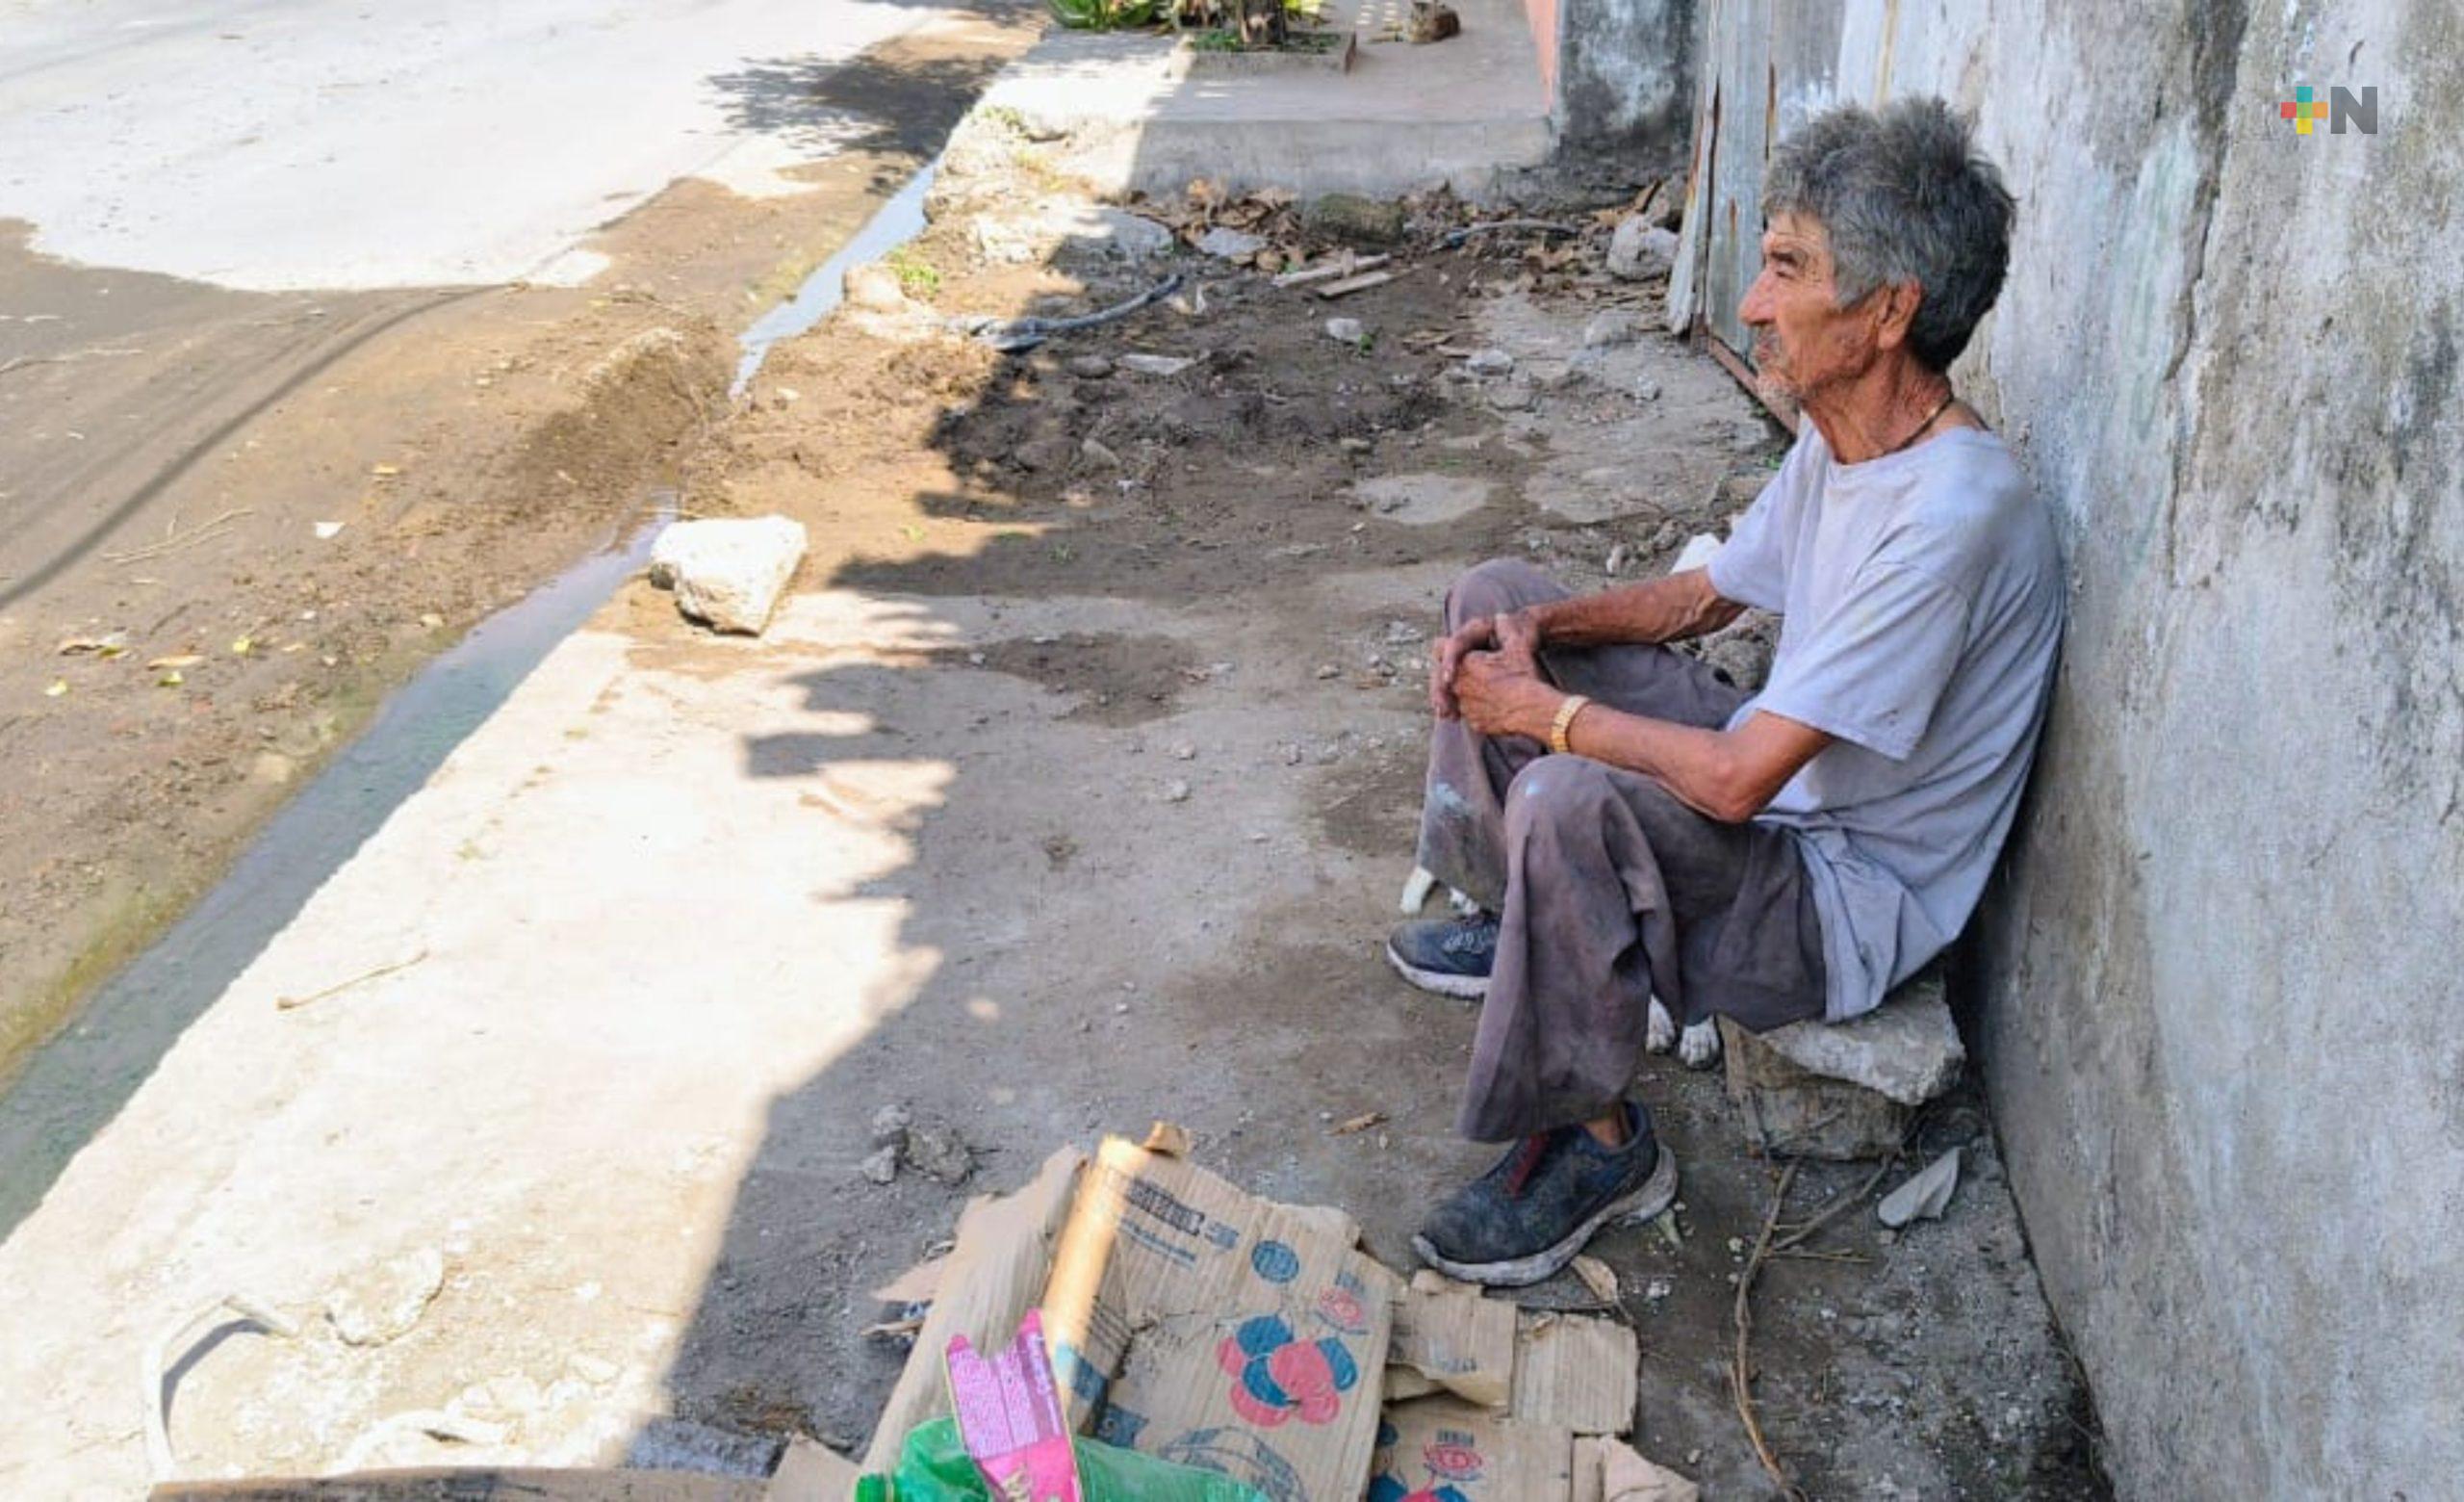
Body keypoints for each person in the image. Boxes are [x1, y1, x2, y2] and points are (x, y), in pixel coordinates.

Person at [1385, 97, 2063, 1287]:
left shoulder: (1953, 516)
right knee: (1488, 591)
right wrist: (1535, 627)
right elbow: (1708, 597)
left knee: (1561, 793)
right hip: (1776, 798)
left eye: (1787, 269)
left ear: (1889, 310)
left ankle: (1601, 1146)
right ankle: (1525, 921)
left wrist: (1543, 716)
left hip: (1836, 897)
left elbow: (1742, 783)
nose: (1751, 303)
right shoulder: (1844, 438)